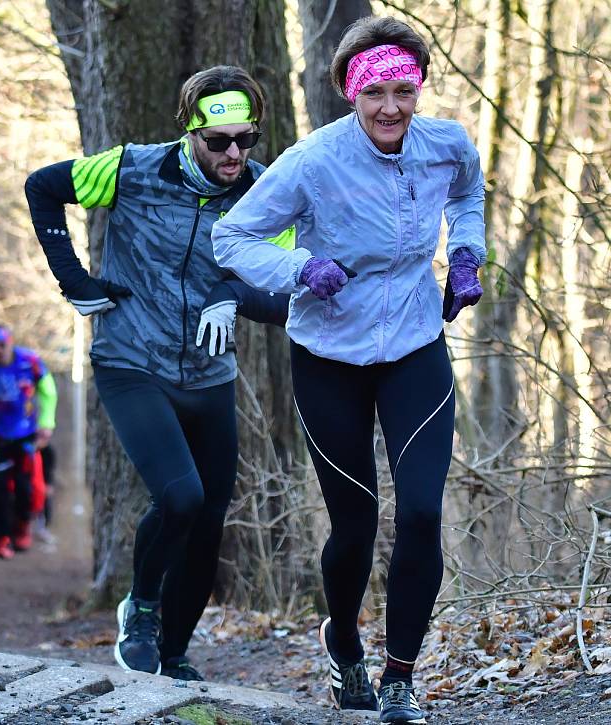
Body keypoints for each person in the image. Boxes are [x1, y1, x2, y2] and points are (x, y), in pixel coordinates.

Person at [212, 17, 485, 724]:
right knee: (355, 523)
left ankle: (400, 676)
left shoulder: (446, 144)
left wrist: (465, 254)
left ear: (419, 88)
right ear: (348, 92)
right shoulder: (314, 161)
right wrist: (302, 266)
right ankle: (343, 646)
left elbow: (466, 195)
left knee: (422, 511)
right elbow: (231, 236)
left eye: (404, 90)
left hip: (416, 344)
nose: (391, 108)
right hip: (329, 357)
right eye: (375, 94)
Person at [24, 65, 290, 680]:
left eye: (246, 139)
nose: (234, 153)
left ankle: (173, 654)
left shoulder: (264, 193)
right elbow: (42, 186)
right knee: (181, 496)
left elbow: (289, 294)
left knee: (208, 523)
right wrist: (74, 281)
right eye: (220, 140)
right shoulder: (132, 169)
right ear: (190, 132)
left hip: (209, 376)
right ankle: (140, 609)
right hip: (131, 362)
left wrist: (235, 294)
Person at [0, 325, 58, 559]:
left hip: (25, 434)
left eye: (2, 346)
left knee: (24, 486)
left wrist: (46, 423)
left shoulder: (31, 361)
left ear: (11, 342)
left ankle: (22, 525)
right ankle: (1, 539)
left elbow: (48, 391)